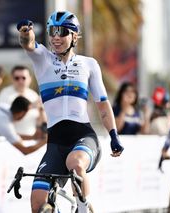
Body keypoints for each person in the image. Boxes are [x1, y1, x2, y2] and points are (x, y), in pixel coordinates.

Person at [17, 11, 124, 213]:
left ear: (74, 36)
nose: (56, 37)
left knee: (74, 163)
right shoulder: (43, 60)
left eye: (62, 32)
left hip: (83, 137)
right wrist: (25, 32)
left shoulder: (89, 64)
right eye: (52, 31)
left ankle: (83, 208)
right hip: (56, 143)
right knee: (37, 203)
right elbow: (28, 43)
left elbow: (102, 106)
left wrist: (113, 136)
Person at [0, 65, 42, 135]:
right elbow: (0, 119)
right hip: (11, 140)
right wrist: (29, 107)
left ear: (30, 79)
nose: (20, 81)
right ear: (12, 79)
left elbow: (40, 121)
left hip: (32, 138)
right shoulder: (4, 94)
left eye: (24, 78)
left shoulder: (34, 95)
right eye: (17, 78)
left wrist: (42, 110)